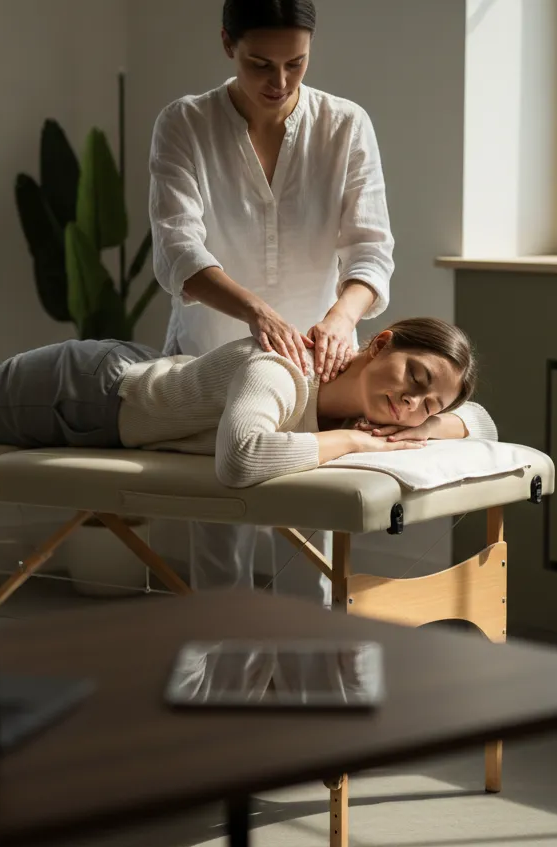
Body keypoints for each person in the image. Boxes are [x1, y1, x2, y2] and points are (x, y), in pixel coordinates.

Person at [149, 0, 398, 592]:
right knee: (218, 547)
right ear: (226, 44)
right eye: (261, 63)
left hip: (317, 367)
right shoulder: (185, 122)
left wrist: (342, 316)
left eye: (296, 63)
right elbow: (178, 251)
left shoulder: (345, 125)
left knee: (309, 556)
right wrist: (256, 311)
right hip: (209, 359)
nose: (279, 81)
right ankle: (217, 678)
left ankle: (304, 676)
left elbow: (371, 249)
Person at [0, 317, 496, 490]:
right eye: (416, 378)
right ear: (382, 341)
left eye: (427, 409)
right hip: (75, 393)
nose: (409, 406)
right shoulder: (281, 373)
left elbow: (486, 424)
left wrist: (447, 421)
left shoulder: (361, 404)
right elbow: (244, 460)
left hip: (113, 388)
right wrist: (352, 447)